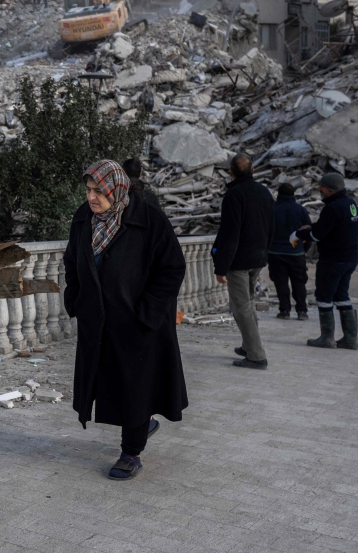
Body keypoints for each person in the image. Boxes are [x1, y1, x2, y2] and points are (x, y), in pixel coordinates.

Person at [63, 160, 187, 480]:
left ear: (116, 189)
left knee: (136, 384)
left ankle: (131, 452)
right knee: (111, 382)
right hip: (100, 321)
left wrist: (147, 312)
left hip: (138, 324)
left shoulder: (149, 220)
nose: (92, 197)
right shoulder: (83, 219)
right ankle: (142, 423)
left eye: (98, 191)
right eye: (88, 190)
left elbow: (171, 268)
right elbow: (71, 261)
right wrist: (75, 297)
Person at [212, 153, 275, 370]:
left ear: (231, 172)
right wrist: (265, 252)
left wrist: (221, 266)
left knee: (241, 308)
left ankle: (257, 356)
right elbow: (271, 227)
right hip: (257, 257)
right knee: (247, 303)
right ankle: (248, 346)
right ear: (253, 171)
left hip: (239, 261)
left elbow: (231, 234)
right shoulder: (264, 192)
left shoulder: (234, 195)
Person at [295, 173, 358, 350]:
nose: (319, 189)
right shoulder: (350, 203)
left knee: (324, 297)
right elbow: (337, 227)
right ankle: (350, 339)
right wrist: (314, 226)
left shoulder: (332, 208)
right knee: (341, 296)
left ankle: (327, 338)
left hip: (332, 260)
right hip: (349, 258)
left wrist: (299, 234)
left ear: (330, 189)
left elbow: (317, 236)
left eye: (322, 186)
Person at [268, 183, 311, 321]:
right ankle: (302, 311)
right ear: (294, 194)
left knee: (281, 283)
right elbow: (308, 232)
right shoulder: (301, 210)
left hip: (275, 252)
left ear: (278, 194)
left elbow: (265, 231)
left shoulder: (271, 209)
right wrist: (304, 249)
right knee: (299, 283)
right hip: (296, 253)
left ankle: (284, 311)